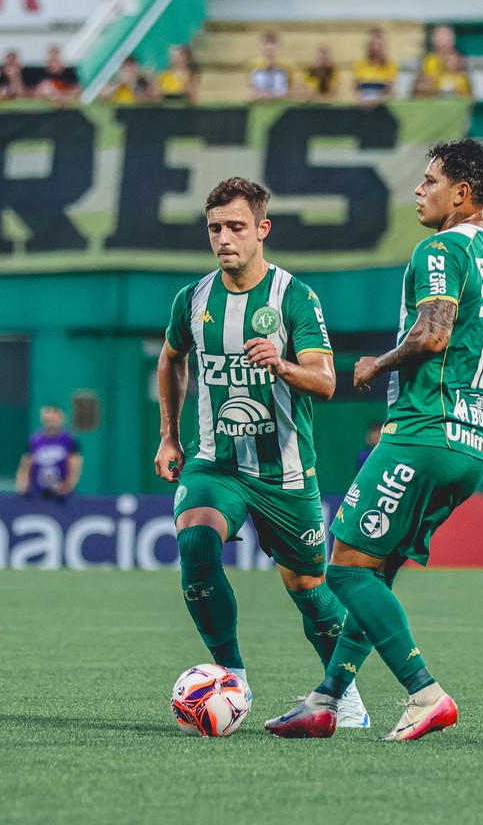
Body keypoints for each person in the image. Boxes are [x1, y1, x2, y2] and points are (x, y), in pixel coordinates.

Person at [266, 139, 483, 741]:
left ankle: (425, 693)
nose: (419, 190)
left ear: (462, 194)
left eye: (430, 181)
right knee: (376, 573)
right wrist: (467, 380)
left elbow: (433, 335)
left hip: (421, 432)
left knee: (344, 571)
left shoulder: (439, 248)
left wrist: (376, 365)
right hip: (472, 443)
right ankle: (326, 700)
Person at [155, 177, 370, 729]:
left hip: (284, 470)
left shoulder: (294, 298)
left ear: (262, 230)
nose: (224, 238)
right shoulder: (194, 299)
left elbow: (325, 383)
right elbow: (170, 359)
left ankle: (341, 694)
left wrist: (282, 364)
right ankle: (231, 677)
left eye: (236, 227)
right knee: (196, 539)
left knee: (308, 590)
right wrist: (168, 436)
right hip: (215, 461)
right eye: (214, 228)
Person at [15, 406, 83, 500]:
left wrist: (67, 487)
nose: (51, 424)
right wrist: (22, 486)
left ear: (61, 420)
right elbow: (25, 465)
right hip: (37, 493)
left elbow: (75, 465)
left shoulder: (69, 440)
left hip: (62, 494)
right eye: (48, 421)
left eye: (54, 420)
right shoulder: (34, 440)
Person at [352, 27, 398, 106]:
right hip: (363, 107)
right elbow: (356, 89)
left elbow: (390, 91)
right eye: (373, 44)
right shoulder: (360, 65)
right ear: (368, 45)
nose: (376, 48)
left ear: (384, 46)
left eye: (379, 45)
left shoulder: (391, 66)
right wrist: (362, 100)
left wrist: (376, 101)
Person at [412, 24, 458, 98]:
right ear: (433, 40)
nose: (442, 40)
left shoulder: (459, 60)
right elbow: (420, 87)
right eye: (439, 37)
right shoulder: (427, 61)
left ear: (452, 40)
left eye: (445, 36)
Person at [248, 33, 293, 100]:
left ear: (278, 48)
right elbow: (251, 90)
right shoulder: (254, 66)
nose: (270, 52)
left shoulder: (287, 67)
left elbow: (292, 89)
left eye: (272, 49)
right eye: (267, 50)